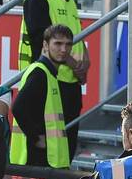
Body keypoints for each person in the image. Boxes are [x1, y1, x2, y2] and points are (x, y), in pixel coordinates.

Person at [11, 24, 80, 168]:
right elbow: (17, 107)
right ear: (45, 45)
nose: (63, 49)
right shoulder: (40, 73)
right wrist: (37, 138)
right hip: (37, 158)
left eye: (68, 44)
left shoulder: (48, 73)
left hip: (45, 158)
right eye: (58, 43)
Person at [19, 0, 89, 85]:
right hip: (48, 76)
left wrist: (85, 61)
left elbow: (78, 34)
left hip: (70, 77)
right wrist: (75, 65)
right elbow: (41, 39)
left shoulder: (69, 0)